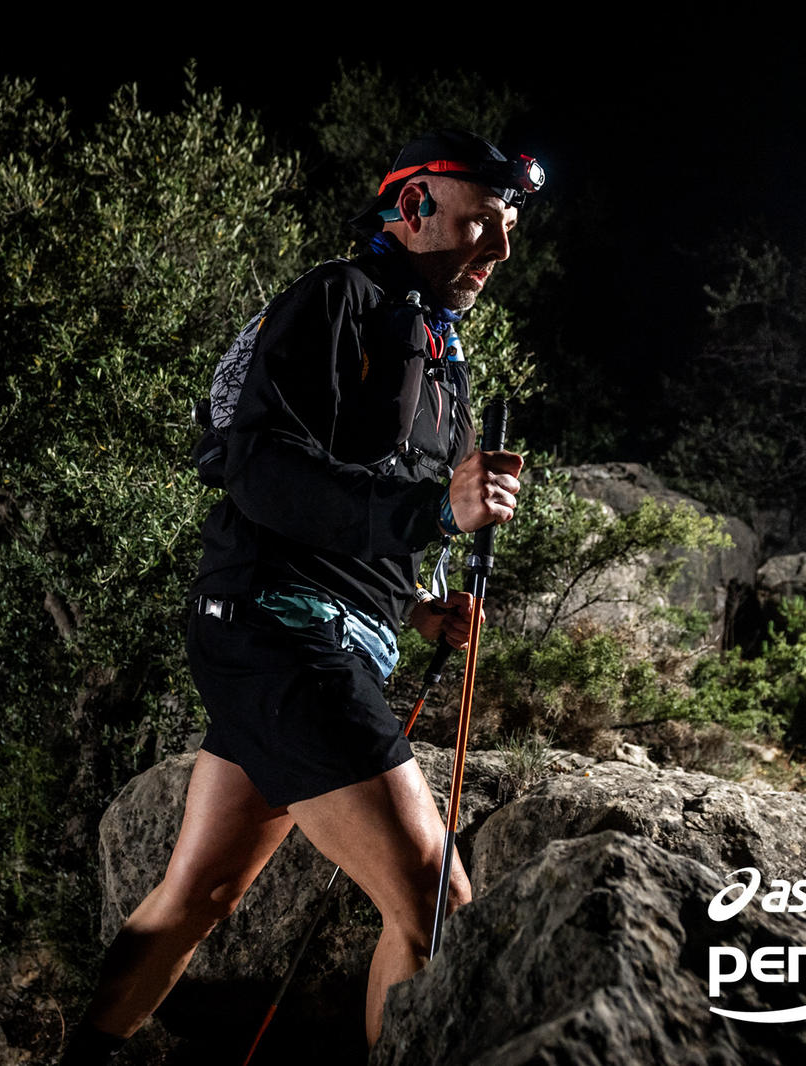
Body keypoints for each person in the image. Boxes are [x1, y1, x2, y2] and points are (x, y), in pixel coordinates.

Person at [67, 130, 541, 1063]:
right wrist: (432, 511)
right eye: (482, 222)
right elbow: (261, 471)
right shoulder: (337, 299)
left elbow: (366, 503)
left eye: (510, 230)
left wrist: (419, 607)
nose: (498, 250)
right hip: (279, 634)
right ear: (414, 206)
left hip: (312, 634)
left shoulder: (437, 347)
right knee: (435, 903)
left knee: (199, 894)